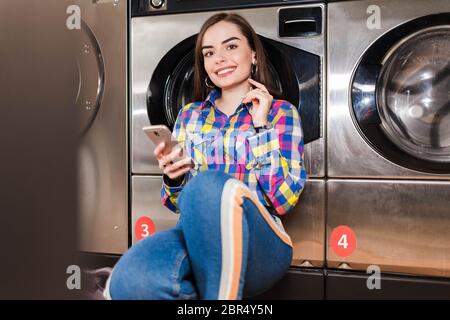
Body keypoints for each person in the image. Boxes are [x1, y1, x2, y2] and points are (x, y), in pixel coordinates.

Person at [105, 12, 307, 300]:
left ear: (253, 55)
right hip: (195, 238)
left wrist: (261, 126)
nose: (219, 58)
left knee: (210, 185)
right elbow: (178, 204)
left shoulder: (281, 114)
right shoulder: (190, 115)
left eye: (231, 46)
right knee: (129, 280)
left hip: (262, 246)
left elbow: (283, 201)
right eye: (209, 52)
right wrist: (173, 178)